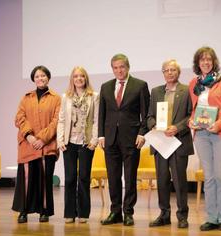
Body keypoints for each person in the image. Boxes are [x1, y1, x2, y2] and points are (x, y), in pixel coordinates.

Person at [188, 46, 221, 231]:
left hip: (220, 133)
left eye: (209, 59)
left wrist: (219, 124)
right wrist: (192, 121)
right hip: (201, 134)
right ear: (197, 63)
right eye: (202, 60)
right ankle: (212, 217)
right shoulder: (194, 83)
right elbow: (192, 110)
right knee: (208, 178)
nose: (205, 62)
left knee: (220, 176)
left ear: (213, 61)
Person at [98, 53, 150, 226]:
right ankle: (115, 212)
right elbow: (102, 114)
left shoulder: (140, 85)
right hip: (110, 139)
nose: (119, 70)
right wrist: (101, 135)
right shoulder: (105, 87)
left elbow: (146, 113)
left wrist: (142, 134)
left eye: (122, 67)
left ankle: (128, 212)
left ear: (128, 67)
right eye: (115, 67)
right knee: (113, 177)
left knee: (129, 177)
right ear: (112, 69)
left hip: (131, 139)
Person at [146, 59, 194, 229]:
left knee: (180, 181)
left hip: (178, 142)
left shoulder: (187, 90)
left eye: (173, 69)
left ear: (178, 72)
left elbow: (191, 116)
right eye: (166, 70)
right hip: (161, 142)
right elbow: (149, 116)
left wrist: (177, 128)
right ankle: (164, 214)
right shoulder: (156, 91)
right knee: (162, 180)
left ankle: (182, 215)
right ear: (163, 73)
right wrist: (154, 125)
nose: (170, 72)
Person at [12, 65, 61, 223]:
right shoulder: (26, 98)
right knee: (26, 179)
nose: (40, 78)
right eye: (37, 76)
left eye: (43, 76)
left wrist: (42, 139)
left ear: (48, 78)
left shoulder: (56, 98)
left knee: (45, 180)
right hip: (28, 145)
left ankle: (44, 211)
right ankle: (23, 211)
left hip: (47, 146)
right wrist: (30, 137)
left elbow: (56, 121)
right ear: (34, 79)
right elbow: (20, 118)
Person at [57, 66, 99, 224]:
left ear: (86, 78)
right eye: (76, 76)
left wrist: (94, 140)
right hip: (69, 142)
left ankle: (83, 213)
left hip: (86, 143)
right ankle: (69, 213)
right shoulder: (65, 97)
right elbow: (61, 119)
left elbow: (96, 119)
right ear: (72, 79)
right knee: (69, 178)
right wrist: (60, 140)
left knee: (83, 177)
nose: (79, 79)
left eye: (82, 76)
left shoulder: (94, 96)